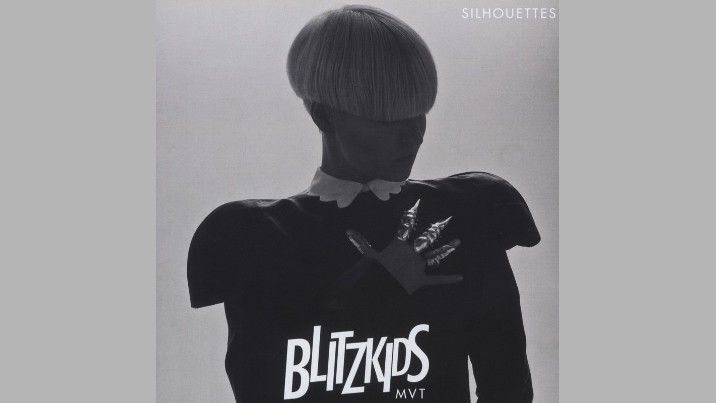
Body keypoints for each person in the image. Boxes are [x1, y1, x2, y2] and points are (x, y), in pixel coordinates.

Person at [188, 5, 540, 403]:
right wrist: (368, 292)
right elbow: (263, 388)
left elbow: (508, 388)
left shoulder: (468, 214)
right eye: (387, 118)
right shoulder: (253, 238)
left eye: (419, 113)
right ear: (324, 116)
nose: (413, 135)